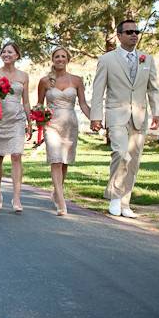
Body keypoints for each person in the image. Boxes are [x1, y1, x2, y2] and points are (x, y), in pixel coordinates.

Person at [90, 20, 159, 218]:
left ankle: (125, 202)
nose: (134, 35)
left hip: (140, 116)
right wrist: (95, 116)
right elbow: (98, 90)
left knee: (134, 160)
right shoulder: (106, 59)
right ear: (119, 35)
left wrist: (157, 112)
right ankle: (114, 196)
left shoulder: (147, 59)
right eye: (129, 32)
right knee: (121, 153)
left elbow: (153, 88)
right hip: (116, 114)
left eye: (136, 31)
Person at [36, 47, 90, 216]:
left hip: (70, 125)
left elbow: (83, 104)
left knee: (65, 161)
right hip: (51, 124)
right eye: (57, 56)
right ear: (52, 59)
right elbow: (39, 104)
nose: (60, 59)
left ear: (68, 59)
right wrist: (38, 117)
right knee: (56, 161)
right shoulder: (45, 81)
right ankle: (61, 201)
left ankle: (56, 192)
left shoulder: (77, 80)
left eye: (63, 56)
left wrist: (95, 120)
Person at [0, 42, 31, 213]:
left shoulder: (23, 76)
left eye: (10, 52)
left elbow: (25, 101)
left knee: (17, 155)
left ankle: (16, 197)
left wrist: (30, 121)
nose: (6, 54)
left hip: (17, 119)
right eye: (4, 52)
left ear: (17, 55)